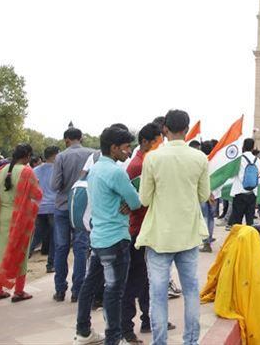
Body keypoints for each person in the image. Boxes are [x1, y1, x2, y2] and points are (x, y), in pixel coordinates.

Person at [136, 110, 210, 345]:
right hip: (188, 234)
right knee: (191, 291)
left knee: (157, 295)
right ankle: (191, 341)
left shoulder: (153, 158)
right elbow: (204, 195)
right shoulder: (199, 158)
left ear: (165, 129)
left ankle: (160, 342)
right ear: (186, 129)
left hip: (159, 236)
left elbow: (145, 199)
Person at [74, 125, 142, 345]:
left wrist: (123, 202)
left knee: (90, 285)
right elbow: (135, 201)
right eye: (125, 147)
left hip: (99, 237)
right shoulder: (115, 171)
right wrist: (126, 203)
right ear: (113, 148)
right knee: (114, 291)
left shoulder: (95, 169)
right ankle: (113, 338)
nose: (128, 151)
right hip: (115, 238)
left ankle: (83, 331)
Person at [122, 123, 176, 344]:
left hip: (147, 229)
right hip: (138, 230)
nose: (160, 145)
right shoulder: (137, 166)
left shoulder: (146, 162)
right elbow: (137, 202)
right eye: (156, 142)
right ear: (144, 142)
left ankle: (147, 319)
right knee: (134, 282)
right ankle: (126, 328)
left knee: (146, 280)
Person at [0, 143, 42, 303]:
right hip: (20, 218)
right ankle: (19, 291)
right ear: (28, 156)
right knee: (20, 252)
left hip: (0, 217)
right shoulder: (27, 171)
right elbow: (37, 193)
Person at [51, 127, 96, 302]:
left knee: (61, 248)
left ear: (66, 140)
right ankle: (78, 290)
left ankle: (60, 289)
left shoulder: (61, 156)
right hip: (82, 206)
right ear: (81, 138)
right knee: (81, 248)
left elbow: (55, 185)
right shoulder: (93, 154)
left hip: (63, 206)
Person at [31, 145, 59, 273]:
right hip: (53, 206)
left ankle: (23, 258)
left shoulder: (35, 170)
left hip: (40, 206)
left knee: (36, 236)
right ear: (55, 155)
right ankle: (51, 264)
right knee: (54, 238)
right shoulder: (58, 169)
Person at [227, 138, 260, 228]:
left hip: (239, 193)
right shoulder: (258, 160)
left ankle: (238, 240)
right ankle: (249, 240)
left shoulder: (239, 159)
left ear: (243, 146)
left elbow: (232, 175)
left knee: (237, 222)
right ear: (253, 148)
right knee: (250, 222)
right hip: (252, 193)